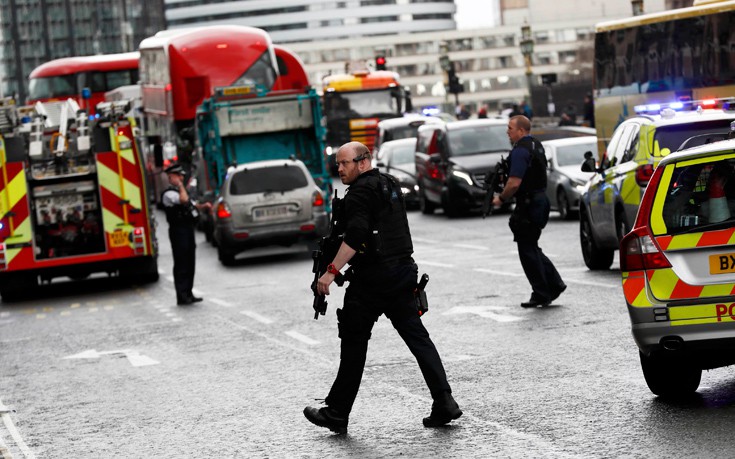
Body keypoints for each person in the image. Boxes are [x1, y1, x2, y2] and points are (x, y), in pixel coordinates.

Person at [304, 142, 461, 434]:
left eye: (345, 163)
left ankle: (337, 411)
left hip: (373, 280)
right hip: (401, 273)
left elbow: (357, 235)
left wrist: (330, 272)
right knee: (418, 339)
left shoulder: (360, 193)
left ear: (363, 163)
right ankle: (444, 401)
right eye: (338, 164)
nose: (339, 169)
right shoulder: (387, 184)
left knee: (353, 341)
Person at [492, 116, 566, 308]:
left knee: (527, 249)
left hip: (529, 203)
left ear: (521, 131)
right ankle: (553, 285)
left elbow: (514, 182)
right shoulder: (536, 145)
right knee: (531, 246)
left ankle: (542, 292)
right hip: (539, 201)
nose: (507, 131)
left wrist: (501, 198)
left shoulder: (520, 151)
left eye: (510, 128)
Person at [161, 163, 211, 306]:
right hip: (178, 231)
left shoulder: (178, 191)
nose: (182, 177)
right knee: (182, 263)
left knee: (190, 262)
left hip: (187, 229)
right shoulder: (169, 194)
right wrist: (181, 186)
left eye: (182, 175)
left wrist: (203, 207)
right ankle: (182, 296)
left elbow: (189, 204)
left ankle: (188, 293)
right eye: (179, 175)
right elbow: (183, 200)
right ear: (172, 177)